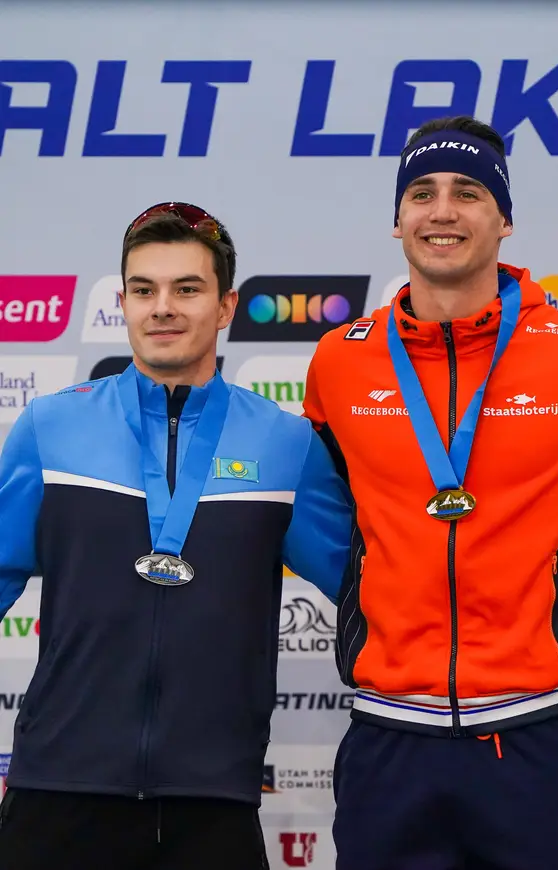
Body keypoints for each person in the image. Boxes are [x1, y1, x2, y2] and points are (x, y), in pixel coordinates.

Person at [302, 115, 558, 870]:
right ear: (397, 220)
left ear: (505, 219)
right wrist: (363, 589)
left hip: (539, 737)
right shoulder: (339, 362)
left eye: (469, 193)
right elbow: (320, 505)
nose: (442, 210)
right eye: (421, 192)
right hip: (389, 737)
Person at [0, 202, 351, 870]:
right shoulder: (49, 429)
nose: (162, 307)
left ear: (225, 307)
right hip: (57, 792)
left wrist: (525, 586)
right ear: (124, 303)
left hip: (212, 802)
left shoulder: (285, 444)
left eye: (187, 289)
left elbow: (375, 586)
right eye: (143, 289)